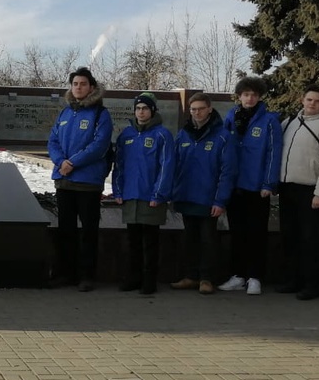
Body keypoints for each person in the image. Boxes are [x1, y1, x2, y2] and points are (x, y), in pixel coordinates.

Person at [46, 67, 113, 292]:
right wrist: (60, 161)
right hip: (64, 181)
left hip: (87, 182)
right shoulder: (65, 113)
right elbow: (53, 141)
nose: (78, 88)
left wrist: (72, 162)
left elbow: (99, 145)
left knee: (88, 231)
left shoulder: (100, 114)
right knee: (66, 229)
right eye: (75, 84)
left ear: (91, 87)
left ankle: (86, 275)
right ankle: (66, 273)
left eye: (83, 84)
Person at [277, 84, 319, 301]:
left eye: (317, 101)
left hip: (311, 191)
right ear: (302, 100)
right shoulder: (289, 123)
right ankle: (292, 280)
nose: (312, 104)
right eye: (309, 99)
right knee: (290, 237)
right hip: (288, 188)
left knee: (310, 240)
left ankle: (311, 284)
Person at [220, 76, 282, 296]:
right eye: (246, 94)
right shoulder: (231, 116)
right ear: (239, 96)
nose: (250, 98)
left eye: (254, 94)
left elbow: (274, 154)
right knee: (237, 233)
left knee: (256, 233)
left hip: (257, 187)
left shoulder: (269, 121)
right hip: (235, 186)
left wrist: (268, 182)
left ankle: (255, 277)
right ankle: (238, 275)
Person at [170, 93, 237, 295]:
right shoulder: (183, 135)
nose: (197, 112)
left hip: (209, 199)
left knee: (209, 240)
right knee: (189, 239)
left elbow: (228, 171)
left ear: (209, 109)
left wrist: (220, 199)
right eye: (193, 109)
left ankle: (207, 279)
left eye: (200, 108)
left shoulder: (223, 136)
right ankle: (191, 276)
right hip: (186, 195)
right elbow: (175, 165)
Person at [112, 93, 176, 295]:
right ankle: (133, 277)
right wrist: (118, 190)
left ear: (152, 111)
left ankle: (149, 280)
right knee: (133, 241)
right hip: (131, 196)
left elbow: (167, 166)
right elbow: (119, 165)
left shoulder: (162, 135)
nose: (141, 112)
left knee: (150, 242)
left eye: (145, 108)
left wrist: (159, 193)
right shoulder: (127, 135)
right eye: (138, 108)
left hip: (151, 198)